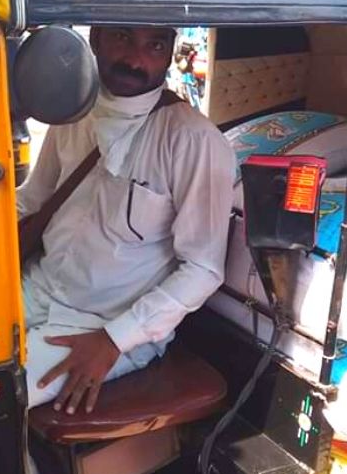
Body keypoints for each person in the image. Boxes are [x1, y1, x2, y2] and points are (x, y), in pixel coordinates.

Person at [16, 26, 234, 418]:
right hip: (33, 289)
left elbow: (202, 269)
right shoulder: (71, 113)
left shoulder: (193, 141)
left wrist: (114, 340)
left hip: (105, 325)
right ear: (96, 39)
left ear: (169, 54)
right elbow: (33, 199)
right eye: (123, 38)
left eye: (155, 45)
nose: (136, 60)